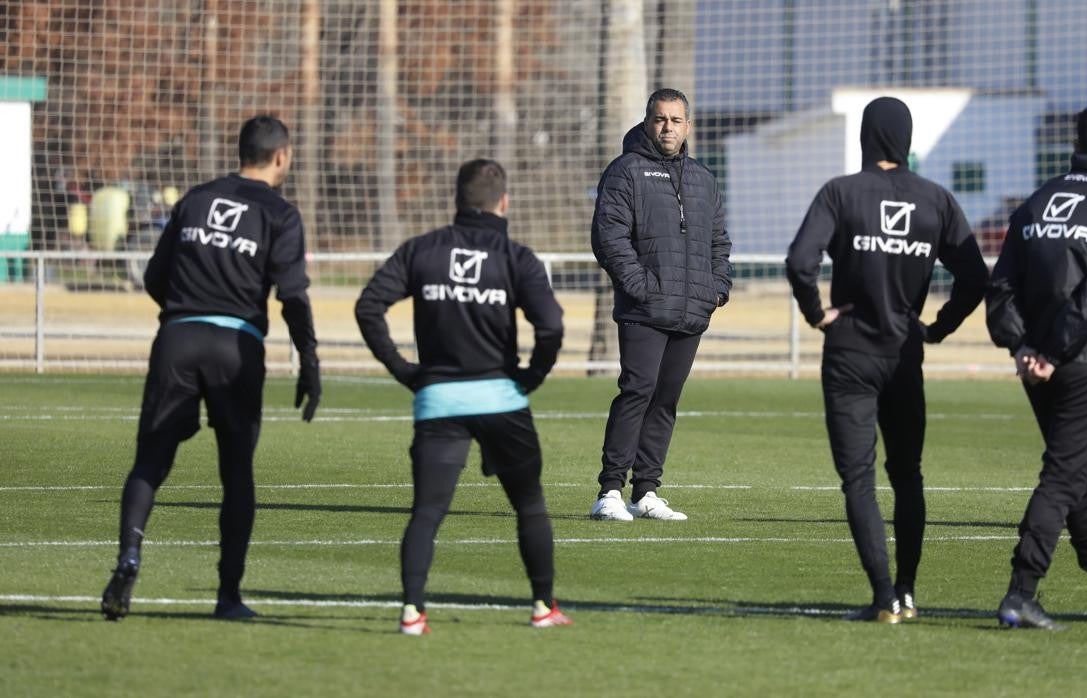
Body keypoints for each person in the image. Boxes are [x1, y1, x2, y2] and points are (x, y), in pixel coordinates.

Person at [100, 115, 321, 621]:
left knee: (149, 461)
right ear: (282, 156)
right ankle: (228, 596)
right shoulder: (280, 214)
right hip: (236, 348)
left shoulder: (195, 199)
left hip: (177, 338)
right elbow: (292, 294)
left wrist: (186, 307)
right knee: (236, 472)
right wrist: (309, 359)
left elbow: (156, 276)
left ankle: (128, 556)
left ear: (240, 151)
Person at [786, 97, 988, 623]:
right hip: (905, 352)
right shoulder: (936, 200)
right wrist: (937, 328)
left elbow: (799, 261)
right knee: (908, 474)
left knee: (859, 478)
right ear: (905, 138)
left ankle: (882, 599)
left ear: (866, 137)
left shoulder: (841, 192)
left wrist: (817, 314)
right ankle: (908, 592)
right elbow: (976, 277)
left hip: (849, 352)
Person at [355, 159, 571, 635]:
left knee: (427, 512)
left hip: (438, 402)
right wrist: (531, 377)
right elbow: (552, 326)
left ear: (456, 199)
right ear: (504, 201)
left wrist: (406, 371)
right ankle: (542, 607)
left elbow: (368, 306)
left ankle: (412, 613)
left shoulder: (421, 250)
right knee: (530, 505)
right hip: (501, 400)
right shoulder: (516, 257)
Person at [986, 103, 1087, 630]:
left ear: (1075, 146)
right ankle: (1021, 592)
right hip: (1083, 362)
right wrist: (1051, 350)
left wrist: (1022, 348)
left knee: (1079, 477)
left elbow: (1001, 288)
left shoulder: (1036, 202)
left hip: (1039, 366)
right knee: (1063, 476)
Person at [589, 87, 732, 522]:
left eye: (675, 120)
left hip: (691, 310)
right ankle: (610, 491)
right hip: (644, 309)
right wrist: (641, 286)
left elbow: (719, 243)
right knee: (637, 392)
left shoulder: (703, 179)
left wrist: (715, 289)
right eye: (659, 119)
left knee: (666, 399)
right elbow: (609, 238)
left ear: (688, 125)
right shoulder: (626, 171)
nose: (667, 127)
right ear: (648, 121)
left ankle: (646, 491)